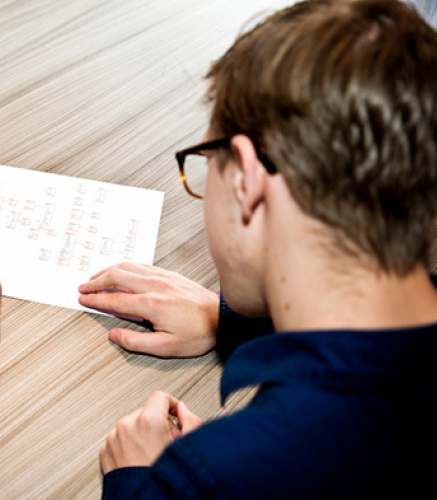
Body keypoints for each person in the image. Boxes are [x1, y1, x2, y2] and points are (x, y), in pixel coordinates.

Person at [78, 0, 437, 497]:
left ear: (247, 179)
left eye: (205, 163)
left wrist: (142, 481)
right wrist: (226, 318)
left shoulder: (210, 475)